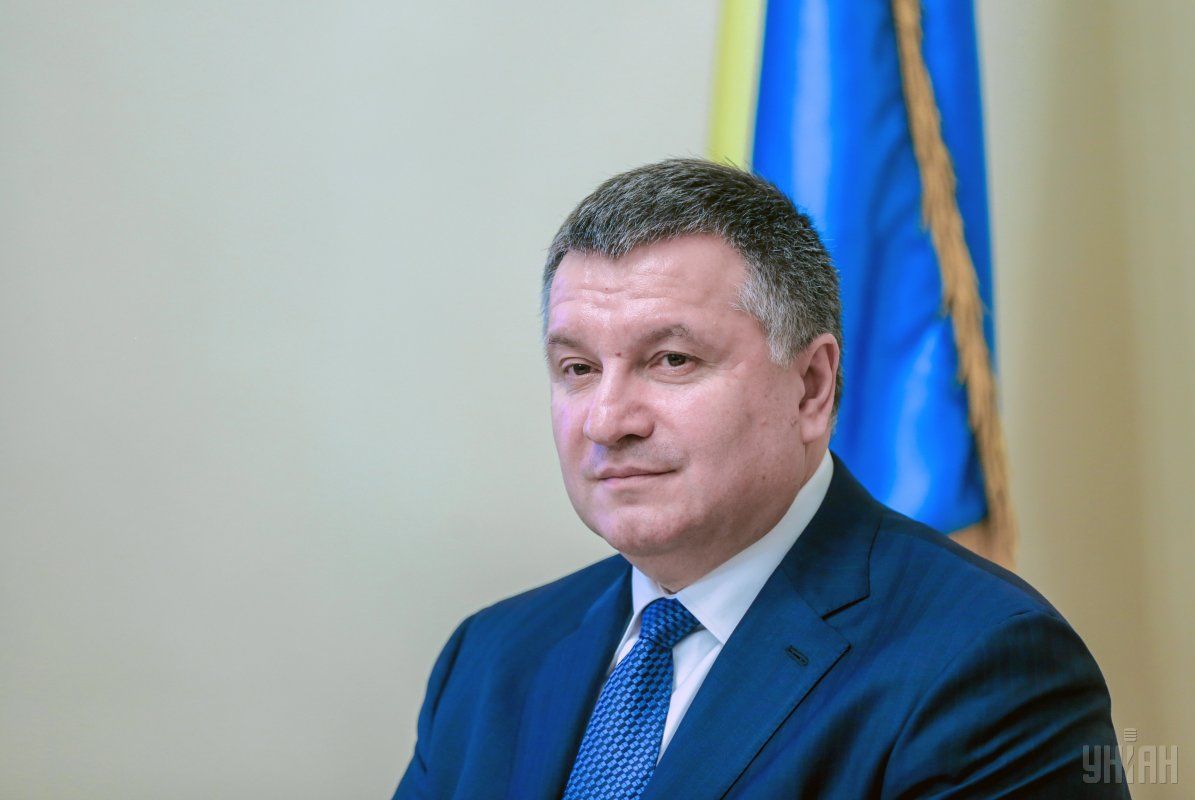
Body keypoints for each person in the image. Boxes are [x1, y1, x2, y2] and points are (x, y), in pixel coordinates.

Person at [393, 159, 1128, 799]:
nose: (607, 420)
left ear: (811, 387)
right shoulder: (490, 657)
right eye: (578, 369)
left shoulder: (983, 666)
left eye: (671, 360)